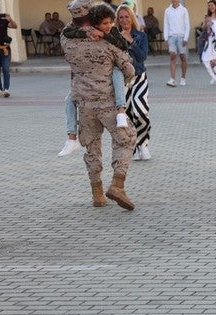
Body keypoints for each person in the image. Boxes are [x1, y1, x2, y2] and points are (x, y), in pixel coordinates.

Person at [63, 0, 137, 210]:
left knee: (92, 147)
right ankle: (117, 185)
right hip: (108, 102)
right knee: (126, 139)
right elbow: (129, 70)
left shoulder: (66, 40)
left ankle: (97, 194)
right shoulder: (107, 41)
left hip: (83, 103)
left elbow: (68, 30)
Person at [58, 3, 130, 157]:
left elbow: (123, 44)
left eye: (110, 22)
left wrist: (104, 35)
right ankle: (71, 138)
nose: (109, 26)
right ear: (94, 21)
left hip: (84, 94)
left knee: (92, 147)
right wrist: (87, 34)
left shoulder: (68, 38)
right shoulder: (84, 33)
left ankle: (72, 138)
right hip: (104, 96)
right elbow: (127, 66)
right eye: (105, 23)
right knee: (123, 140)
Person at [116, 3, 151, 161]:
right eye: (121, 17)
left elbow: (143, 56)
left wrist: (130, 40)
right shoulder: (114, 36)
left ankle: (144, 144)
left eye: (127, 16)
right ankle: (136, 147)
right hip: (123, 80)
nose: (124, 20)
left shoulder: (140, 35)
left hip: (139, 78)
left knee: (141, 112)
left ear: (132, 17)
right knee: (129, 116)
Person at [163, 0, 190, 87]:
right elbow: (166, 25)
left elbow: (187, 25)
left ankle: (183, 78)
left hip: (181, 36)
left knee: (182, 57)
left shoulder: (184, 10)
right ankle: (172, 79)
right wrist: (166, 38)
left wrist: (185, 38)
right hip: (171, 37)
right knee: (173, 56)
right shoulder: (167, 10)